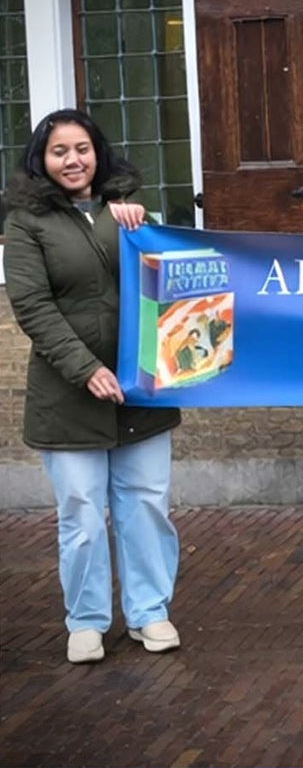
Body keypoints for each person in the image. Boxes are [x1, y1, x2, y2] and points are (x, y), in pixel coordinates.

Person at [3, 108, 183, 664]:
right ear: (42, 160)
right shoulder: (25, 223)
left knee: (146, 505)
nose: (72, 160)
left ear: (97, 153)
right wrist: (86, 369)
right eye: (59, 151)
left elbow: (168, 280)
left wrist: (142, 226)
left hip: (140, 391)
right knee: (81, 513)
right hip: (68, 395)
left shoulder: (126, 212)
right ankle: (85, 620)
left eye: (81, 148)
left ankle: (150, 611)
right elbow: (33, 306)